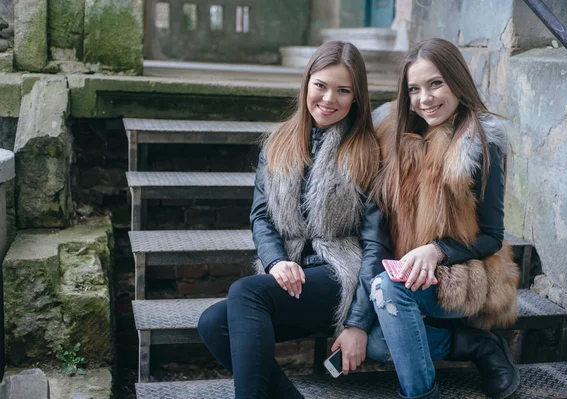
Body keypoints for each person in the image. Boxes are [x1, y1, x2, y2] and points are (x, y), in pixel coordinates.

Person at [197, 41, 389, 398]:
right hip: (291, 272)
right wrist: (276, 261)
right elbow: (261, 216)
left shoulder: (367, 152)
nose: (329, 99)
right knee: (213, 323)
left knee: (246, 292)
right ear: (306, 84)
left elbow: (377, 242)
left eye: (343, 90)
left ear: (356, 97)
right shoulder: (278, 143)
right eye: (321, 85)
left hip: (340, 275)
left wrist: (358, 323)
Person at [366, 38, 521, 399]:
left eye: (436, 83)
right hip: (408, 274)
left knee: (385, 290)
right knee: (376, 344)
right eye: (414, 89)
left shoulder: (480, 141)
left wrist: (436, 251)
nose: (425, 99)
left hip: (463, 274)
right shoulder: (392, 136)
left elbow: (492, 236)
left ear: (457, 80)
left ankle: (423, 394)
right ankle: (475, 345)